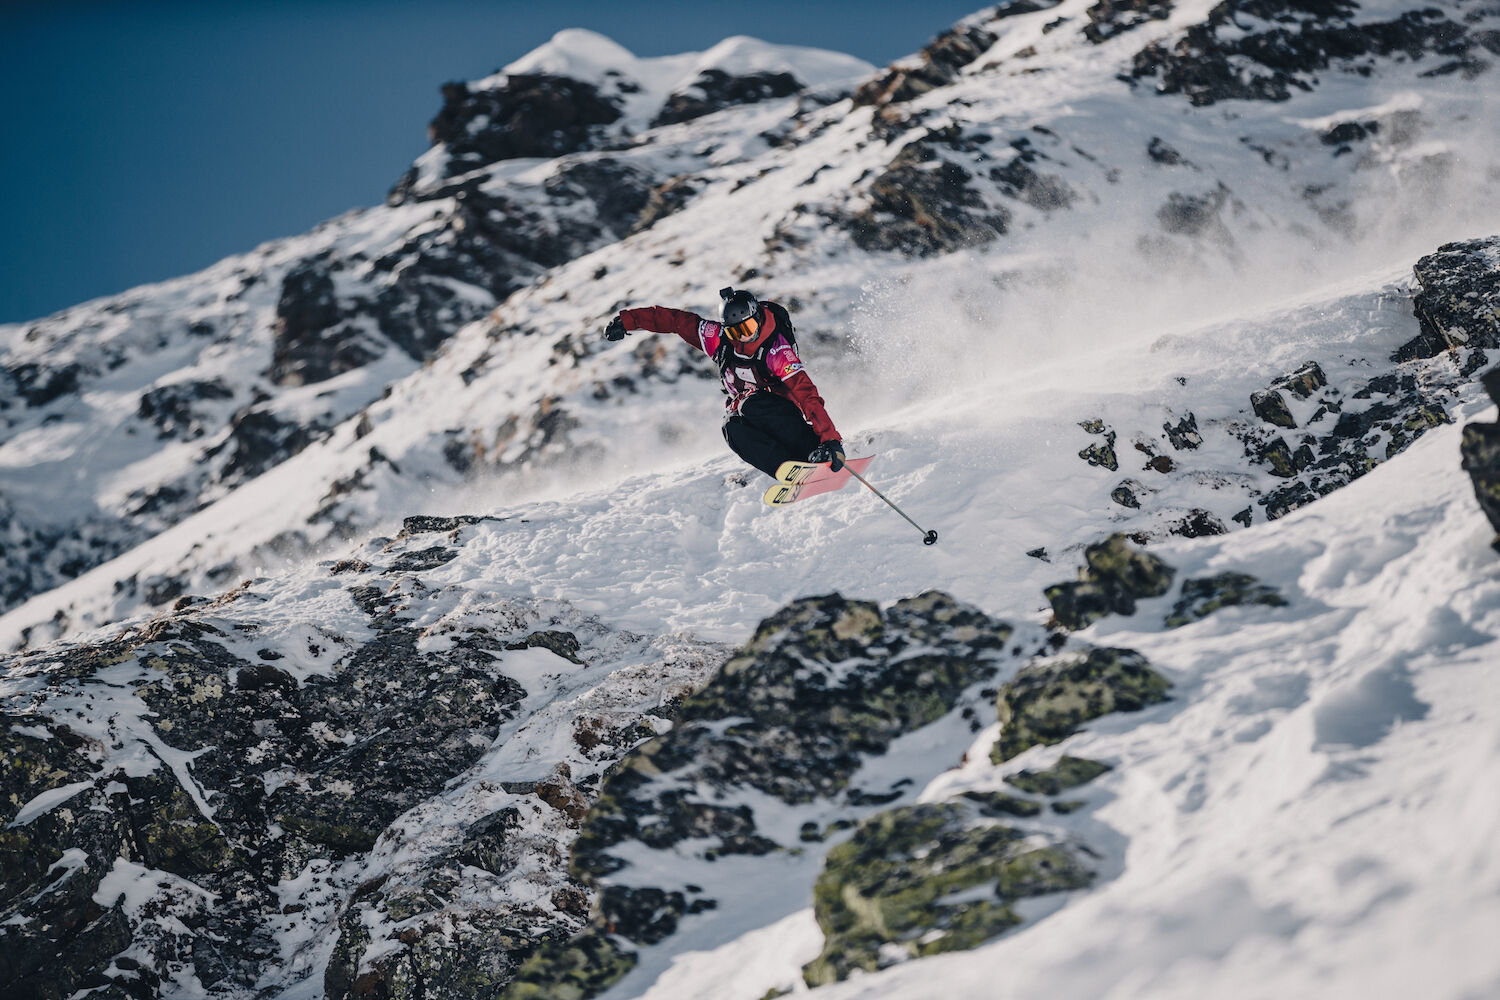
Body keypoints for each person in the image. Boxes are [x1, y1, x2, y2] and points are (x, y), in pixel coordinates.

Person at [603, 287, 845, 478]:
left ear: (758, 319)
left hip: (785, 418)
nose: (743, 336)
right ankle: (787, 469)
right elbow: (676, 321)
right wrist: (629, 320)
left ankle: (812, 451)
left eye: (748, 328)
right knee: (731, 427)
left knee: (752, 404)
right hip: (749, 414)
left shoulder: (776, 350)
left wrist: (830, 439)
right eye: (735, 332)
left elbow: (806, 393)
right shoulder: (717, 339)